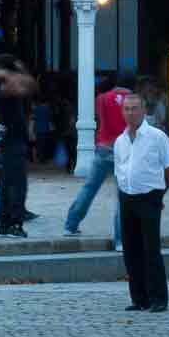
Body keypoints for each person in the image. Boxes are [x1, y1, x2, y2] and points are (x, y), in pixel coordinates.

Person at [114, 92, 169, 312]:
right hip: (127, 197)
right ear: (123, 112)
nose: (130, 113)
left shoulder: (157, 137)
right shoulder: (120, 141)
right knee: (131, 250)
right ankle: (139, 298)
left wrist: (159, 194)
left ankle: (159, 298)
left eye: (135, 108)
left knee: (151, 249)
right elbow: (119, 168)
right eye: (127, 109)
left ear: (143, 111)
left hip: (150, 196)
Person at [63, 71, 131, 251]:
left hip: (103, 147)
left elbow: (101, 121)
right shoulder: (134, 101)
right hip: (124, 150)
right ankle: (120, 240)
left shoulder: (101, 98)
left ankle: (70, 225)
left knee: (90, 188)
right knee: (123, 194)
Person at [0, 55, 37, 238]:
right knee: (17, 185)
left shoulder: (2, 83)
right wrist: (19, 68)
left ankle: (5, 224)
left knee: (8, 183)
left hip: (11, 141)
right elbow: (29, 84)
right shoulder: (3, 83)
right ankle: (14, 224)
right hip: (13, 142)